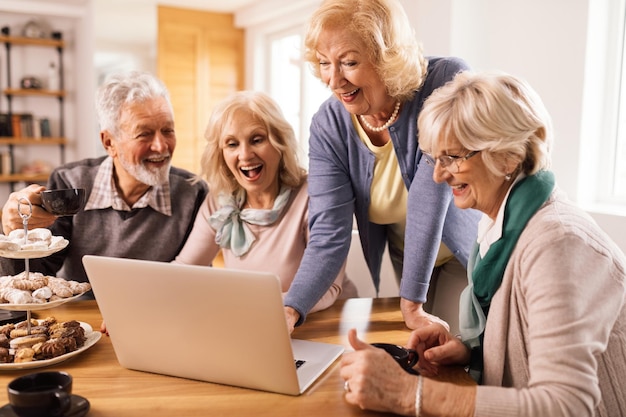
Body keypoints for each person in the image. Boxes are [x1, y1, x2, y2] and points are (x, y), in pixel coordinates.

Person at [340, 71, 626, 417]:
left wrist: (407, 392)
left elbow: (565, 406)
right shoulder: (500, 225)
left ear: (508, 155)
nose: (438, 175)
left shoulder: (558, 244)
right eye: (435, 158)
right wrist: (470, 349)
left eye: (453, 157)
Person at [283, 0, 481, 332]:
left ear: (387, 57)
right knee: (423, 350)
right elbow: (329, 231)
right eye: (323, 63)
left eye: (348, 62)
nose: (334, 80)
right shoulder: (328, 125)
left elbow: (429, 192)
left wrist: (411, 302)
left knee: (467, 349)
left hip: (468, 253)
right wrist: (291, 307)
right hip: (410, 257)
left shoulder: (445, 81)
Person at [0, 70, 208, 293]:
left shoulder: (192, 192)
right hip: (82, 319)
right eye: (144, 134)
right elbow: (33, 277)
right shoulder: (69, 182)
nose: (161, 146)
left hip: (159, 314)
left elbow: (197, 281)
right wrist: (13, 234)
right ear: (109, 142)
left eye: (168, 130)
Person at [174, 90, 357, 311]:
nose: (245, 155)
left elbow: (329, 288)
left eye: (257, 140)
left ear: (280, 142)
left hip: (327, 323)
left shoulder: (313, 194)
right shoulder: (219, 202)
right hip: (259, 324)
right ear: (221, 153)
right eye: (232, 144)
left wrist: (257, 309)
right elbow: (183, 272)